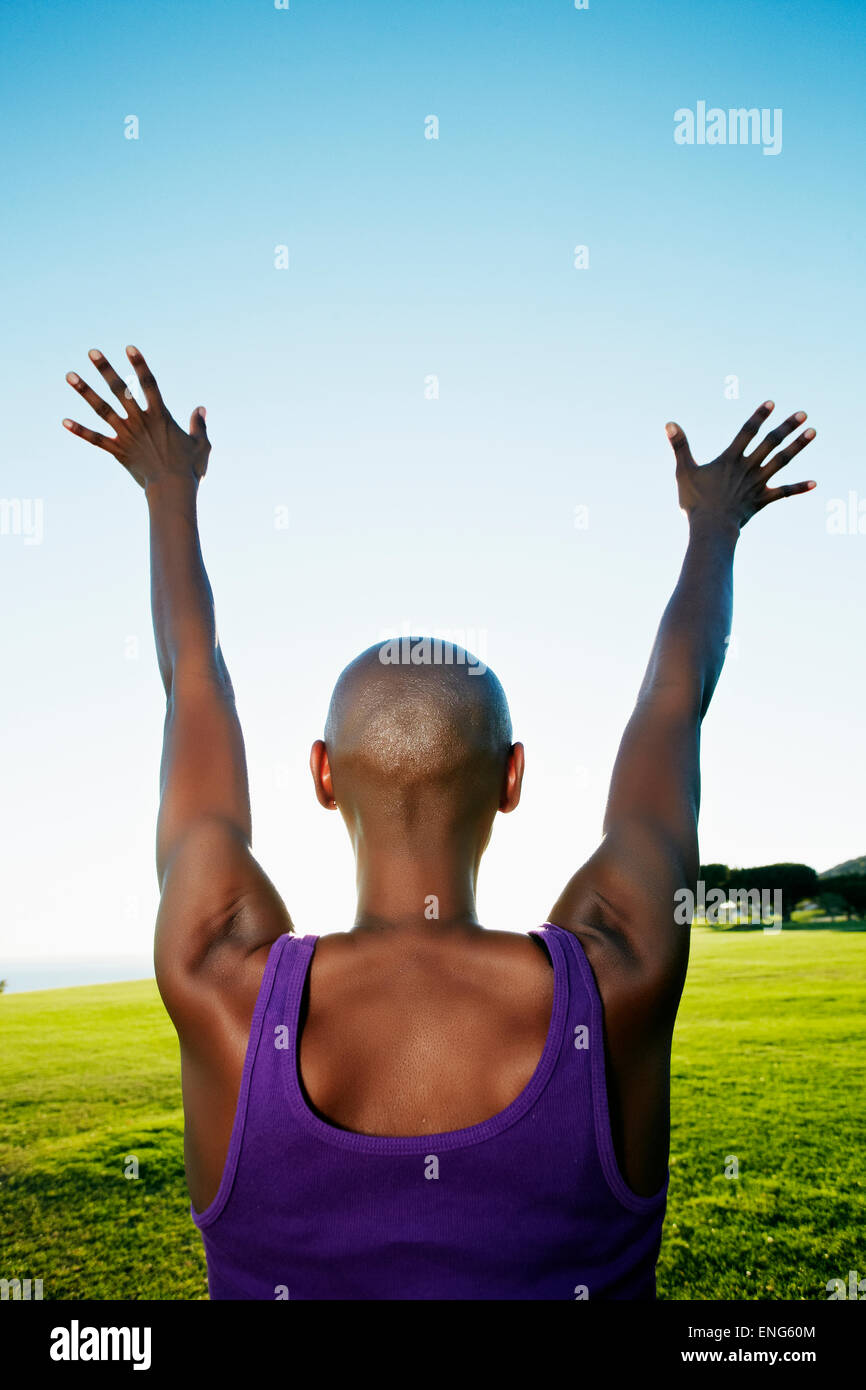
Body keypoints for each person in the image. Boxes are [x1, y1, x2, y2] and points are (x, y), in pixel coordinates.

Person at [62, 347, 817, 1299]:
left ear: (322, 776)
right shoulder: (621, 970)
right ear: (513, 780)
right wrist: (715, 526)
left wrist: (169, 492)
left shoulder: (219, 979)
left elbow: (193, 681)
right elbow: (673, 704)